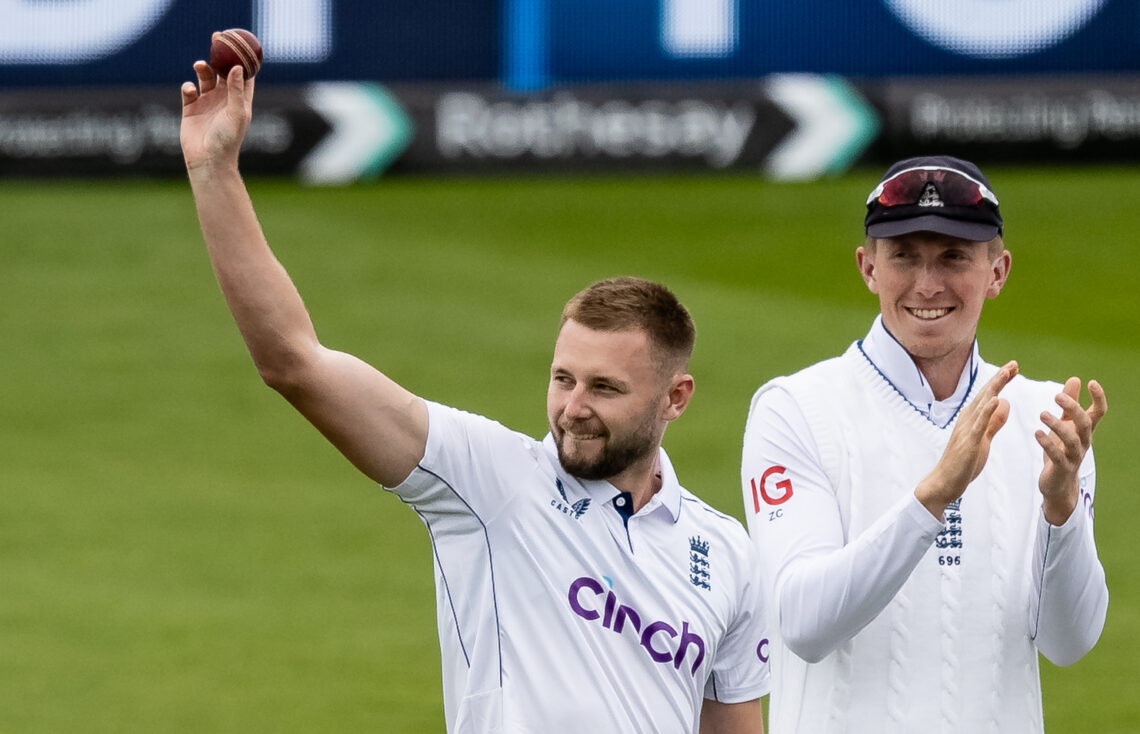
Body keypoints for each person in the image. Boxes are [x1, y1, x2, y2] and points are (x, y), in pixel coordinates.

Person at [179, 62, 769, 734]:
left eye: (605, 388)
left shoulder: (726, 553)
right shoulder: (489, 481)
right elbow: (294, 362)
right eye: (562, 378)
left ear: (677, 398)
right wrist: (214, 170)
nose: (573, 407)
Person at [740, 155, 1108, 733]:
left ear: (998, 271)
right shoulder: (796, 408)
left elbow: (1070, 641)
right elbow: (803, 623)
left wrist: (1063, 512)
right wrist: (933, 496)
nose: (927, 284)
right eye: (904, 256)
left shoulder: (1047, 420)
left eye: (953, 257)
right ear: (868, 267)